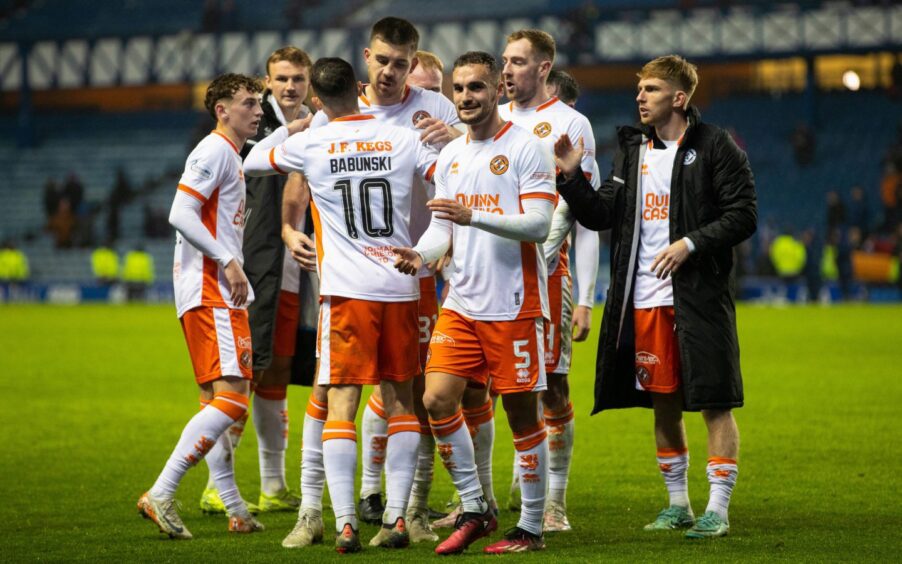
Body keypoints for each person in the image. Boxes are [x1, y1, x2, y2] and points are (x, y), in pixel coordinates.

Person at [553, 54, 756, 539]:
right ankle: (678, 504)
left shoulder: (715, 146)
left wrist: (690, 243)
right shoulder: (631, 151)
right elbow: (602, 216)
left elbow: (744, 214)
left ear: (679, 98)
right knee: (663, 401)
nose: (640, 97)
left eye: (651, 90)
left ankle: (719, 510)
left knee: (714, 401)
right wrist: (572, 178)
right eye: (639, 89)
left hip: (698, 298)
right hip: (642, 297)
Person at [244, 56, 439, 553]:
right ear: (359, 87)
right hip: (400, 284)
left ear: (315, 97)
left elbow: (250, 160)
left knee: (341, 403)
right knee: (401, 402)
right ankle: (395, 518)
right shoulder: (401, 137)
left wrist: (296, 127)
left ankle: (347, 522)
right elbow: (447, 168)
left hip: (346, 292)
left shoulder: (308, 142)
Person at [393, 51, 556, 554]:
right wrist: (419, 255)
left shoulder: (528, 148)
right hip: (461, 302)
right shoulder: (452, 156)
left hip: (515, 303)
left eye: (476, 88)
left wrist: (473, 217)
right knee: (437, 399)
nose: (465, 97)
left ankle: (530, 527)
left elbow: (539, 225)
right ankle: (475, 507)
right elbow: (443, 226)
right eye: (459, 89)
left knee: (524, 418)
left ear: (496, 92)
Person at [309, 17, 462, 542]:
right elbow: (296, 185)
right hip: (356, 272)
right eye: (383, 60)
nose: (392, 72)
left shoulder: (435, 109)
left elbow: (477, 160)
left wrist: (458, 137)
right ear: (366, 57)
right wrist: (289, 230)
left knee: (414, 391)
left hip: (418, 269)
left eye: (402, 62)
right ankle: (325, 508)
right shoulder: (337, 113)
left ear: (414, 61)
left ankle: (409, 511)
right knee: (342, 390)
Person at [137, 73, 264, 539]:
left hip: (204, 289)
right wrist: (229, 261)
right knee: (232, 398)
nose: (258, 110)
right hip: (213, 289)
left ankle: (234, 506)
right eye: (249, 103)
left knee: (219, 399)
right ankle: (163, 491)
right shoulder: (213, 150)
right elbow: (180, 212)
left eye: (259, 102)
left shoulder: (230, 153)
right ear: (221, 110)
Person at [198, 46, 313, 518]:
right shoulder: (250, 124)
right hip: (252, 266)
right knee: (243, 373)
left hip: (296, 271)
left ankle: (272, 485)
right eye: (281, 78)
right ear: (267, 82)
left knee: (277, 373)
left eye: (298, 79)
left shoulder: (316, 118)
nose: (289, 87)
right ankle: (215, 485)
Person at [498, 30, 600, 531]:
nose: (507, 70)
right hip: (489, 276)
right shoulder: (488, 120)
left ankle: (554, 501)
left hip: (547, 276)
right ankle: (480, 500)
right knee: (487, 390)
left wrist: (586, 298)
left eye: (518, 61)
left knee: (553, 387)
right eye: (504, 60)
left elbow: (587, 217)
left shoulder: (570, 124)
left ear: (542, 68)